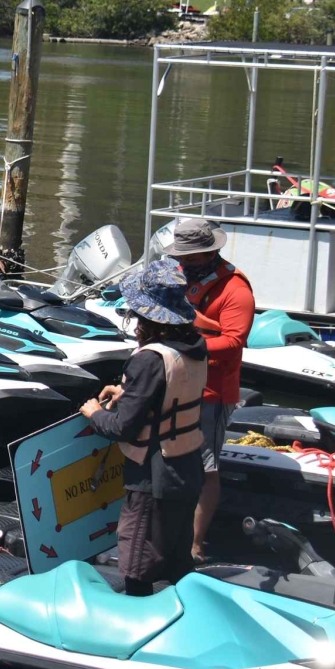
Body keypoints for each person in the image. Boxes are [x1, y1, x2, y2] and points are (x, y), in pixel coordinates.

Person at [81, 260, 208, 597]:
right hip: (188, 466)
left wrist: (94, 413)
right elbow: (171, 393)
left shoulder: (149, 358)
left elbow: (122, 426)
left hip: (153, 476)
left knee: (138, 563)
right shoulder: (195, 345)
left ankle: (138, 623)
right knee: (177, 561)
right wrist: (128, 392)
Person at [165, 218, 254, 564]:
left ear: (212, 251)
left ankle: (196, 544)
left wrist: (186, 344)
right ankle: (170, 528)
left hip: (212, 392)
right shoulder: (180, 274)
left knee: (206, 466)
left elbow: (233, 342)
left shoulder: (236, 290)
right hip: (178, 382)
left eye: (192, 257)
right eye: (182, 257)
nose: (184, 263)